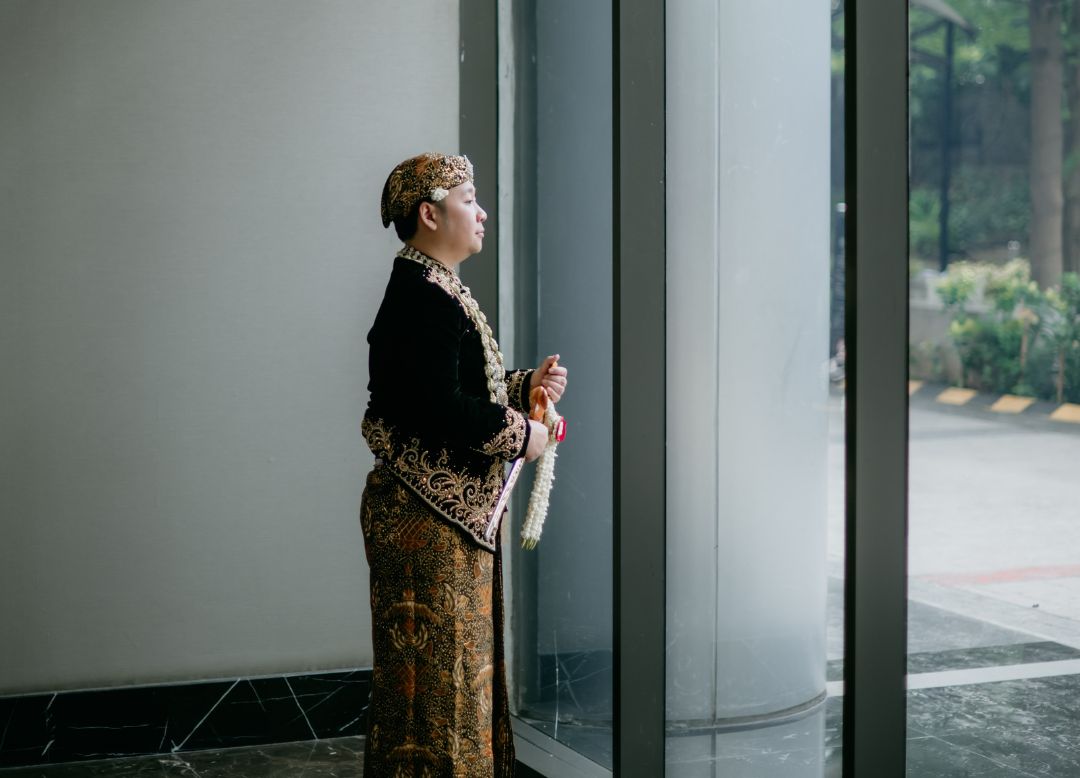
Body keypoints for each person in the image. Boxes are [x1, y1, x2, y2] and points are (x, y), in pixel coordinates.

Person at [360, 152, 568, 777]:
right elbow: (440, 408)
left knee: (449, 681)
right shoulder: (422, 297)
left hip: (439, 522)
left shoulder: (430, 288)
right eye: (468, 200)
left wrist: (524, 386)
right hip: (426, 523)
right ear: (430, 215)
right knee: (438, 690)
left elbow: (442, 388)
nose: (481, 213)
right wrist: (523, 434)